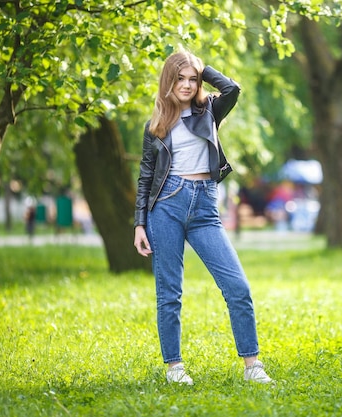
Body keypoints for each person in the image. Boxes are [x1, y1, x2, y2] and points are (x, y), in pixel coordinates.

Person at [133, 51, 273, 385]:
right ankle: (174, 367)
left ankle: (252, 365)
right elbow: (145, 176)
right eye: (178, 78)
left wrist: (201, 66)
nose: (186, 85)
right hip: (165, 206)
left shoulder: (209, 109)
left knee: (237, 286)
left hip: (205, 207)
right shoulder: (155, 125)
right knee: (169, 292)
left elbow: (233, 89)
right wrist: (139, 223)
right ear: (168, 81)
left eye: (191, 79)